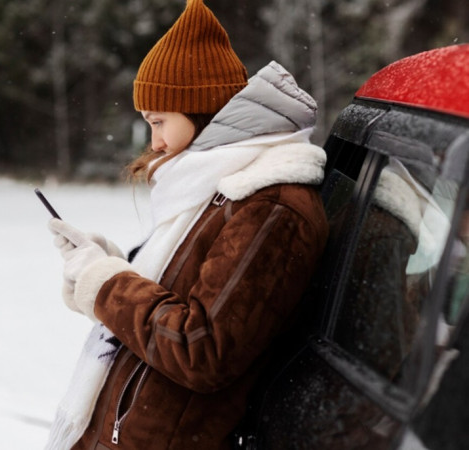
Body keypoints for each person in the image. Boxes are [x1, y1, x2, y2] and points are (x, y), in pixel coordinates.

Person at [45, 1, 330, 449]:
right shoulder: (219, 187)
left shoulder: (269, 203)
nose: (154, 142)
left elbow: (201, 348)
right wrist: (108, 269)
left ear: (201, 109)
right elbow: (186, 296)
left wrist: (109, 286)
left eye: (158, 122)